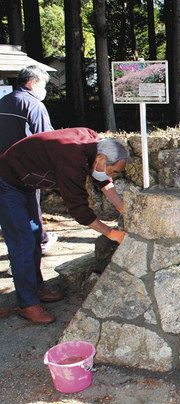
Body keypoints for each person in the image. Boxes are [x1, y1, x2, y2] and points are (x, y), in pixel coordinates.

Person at [0, 128, 129, 324]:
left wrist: (121, 207)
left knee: (35, 235)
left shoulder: (93, 145)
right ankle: (27, 304)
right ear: (101, 159)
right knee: (22, 242)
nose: (112, 174)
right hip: (7, 181)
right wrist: (111, 233)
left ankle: (36, 287)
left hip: (26, 181)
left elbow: (102, 178)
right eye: (113, 170)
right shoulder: (72, 158)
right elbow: (79, 209)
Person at [0, 65, 58, 253]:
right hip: (26, 171)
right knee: (31, 212)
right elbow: (46, 138)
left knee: (12, 220)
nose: (45, 90)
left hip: (3, 169)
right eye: (43, 85)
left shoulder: (3, 101)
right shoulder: (34, 105)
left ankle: (27, 249)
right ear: (33, 83)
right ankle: (38, 244)